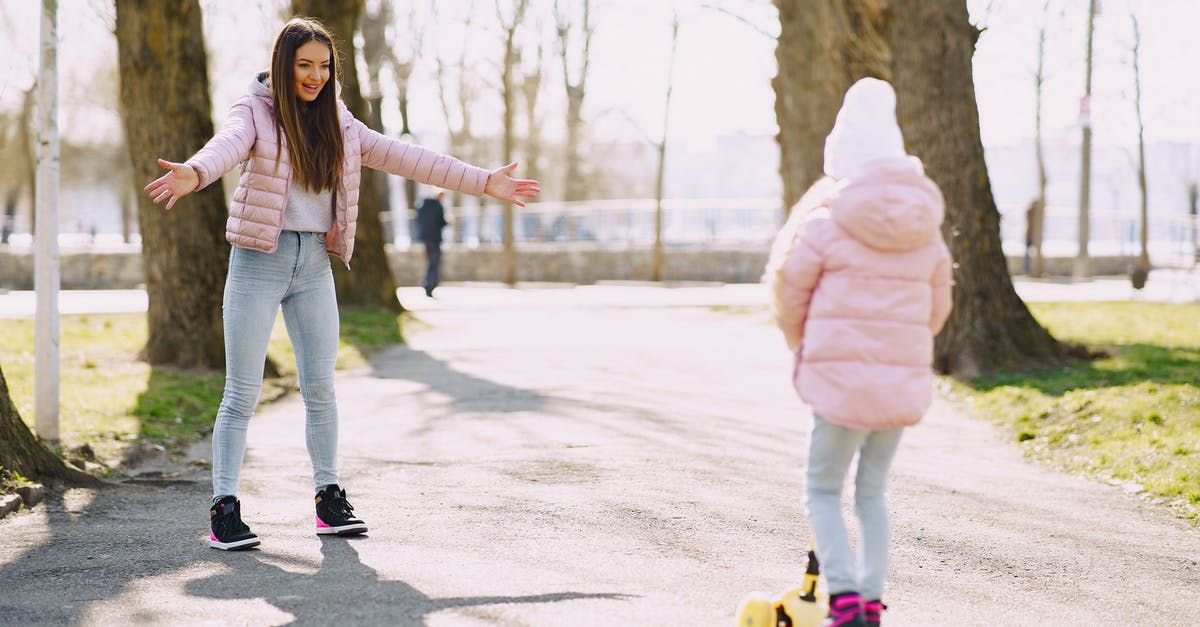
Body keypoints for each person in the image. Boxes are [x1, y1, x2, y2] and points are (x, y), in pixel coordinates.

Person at [143, 17, 539, 551]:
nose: (315, 76)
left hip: (313, 267)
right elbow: (227, 146)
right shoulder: (254, 111)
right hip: (259, 259)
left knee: (321, 389)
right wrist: (194, 172)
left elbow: (408, 157)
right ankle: (224, 508)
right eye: (304, 65)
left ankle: (328, 499)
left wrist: (481, 182)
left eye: (324, 66)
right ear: (284, 66)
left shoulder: (341, 122)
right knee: (241, 391)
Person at [764, 78, 952, 627]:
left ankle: (842, 597)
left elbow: (789, 293)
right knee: (872, 492)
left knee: (822, 488)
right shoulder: (927, 231)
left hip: (838, 384)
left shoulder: (824, 221)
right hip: (897, 382)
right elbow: (937, 310)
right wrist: (904, 351)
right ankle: (870, 600)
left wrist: (804, 345)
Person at [416, 191, 448, 297]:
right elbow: (441, 222)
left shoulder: (422, 205)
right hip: (434, 238)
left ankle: (427, 283)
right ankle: (430, 285)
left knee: (430, 261)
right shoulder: (438, 206)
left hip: (425, 238)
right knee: (434, 262)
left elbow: (418, 219)